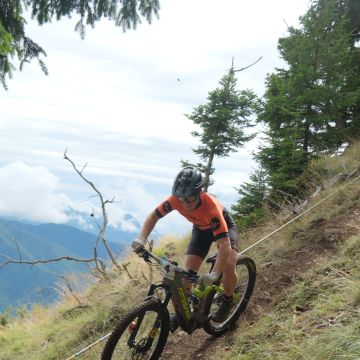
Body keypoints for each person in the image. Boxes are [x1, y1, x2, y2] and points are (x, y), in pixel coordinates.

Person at [132, 166, 239, 324]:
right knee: (187, 274)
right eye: (181, 198)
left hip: (224, 228)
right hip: (201, 230)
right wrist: (141, 238)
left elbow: (224, 245)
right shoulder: (176, 199)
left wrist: (215, 273)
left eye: (190, 198)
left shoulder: (211, 209)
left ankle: (228, 300)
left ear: (200, 193)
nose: (185, 202)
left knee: (229, 264)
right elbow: (153, 216)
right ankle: (186, 310)